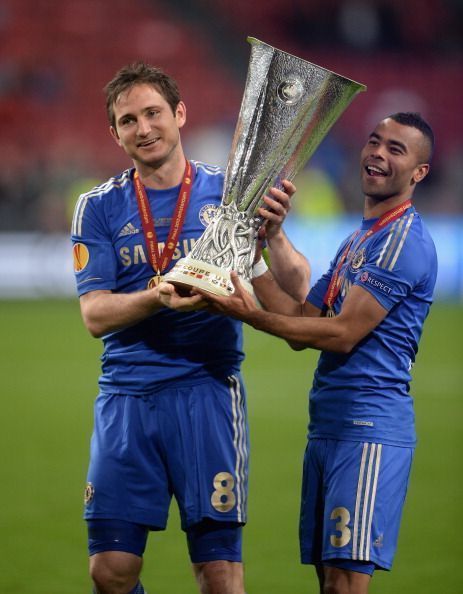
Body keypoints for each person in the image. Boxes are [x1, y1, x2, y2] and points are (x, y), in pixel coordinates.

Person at [71, 61, 310, 594]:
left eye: (153, 112)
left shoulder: (230, 196)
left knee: (220, 574)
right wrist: (159, 298)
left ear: (179, 114)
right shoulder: (98, 208)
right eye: (128, 120)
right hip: (127, 399)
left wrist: (274, 237)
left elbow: (288, 293)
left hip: (207, 394)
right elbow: (95, 316)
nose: (144, 128)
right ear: (115, 133)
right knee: (109, 571)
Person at [193, 112, 437, 594]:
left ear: (418, 173)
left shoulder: (402, 241)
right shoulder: (358, 240)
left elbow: (343, 333)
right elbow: (303, 322)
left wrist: (246, 314)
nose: (378, 154)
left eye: (396, 149)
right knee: (329, 581)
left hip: (368, 430)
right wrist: (252, 252)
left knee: (346, 583)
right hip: (329, 427)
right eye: (374, 141)